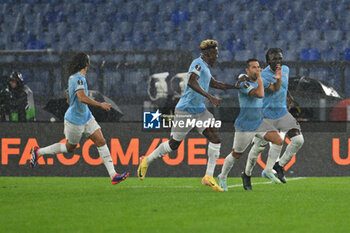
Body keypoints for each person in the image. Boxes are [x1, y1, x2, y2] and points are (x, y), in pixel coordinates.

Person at [137, 39, 242, 192]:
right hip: (185, 110)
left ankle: (208, 176)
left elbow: (215, 84)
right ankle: (146, 160)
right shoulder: (197, 64)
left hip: (199, 110)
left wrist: (236, 87)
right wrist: (209, 97)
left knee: (215, 138)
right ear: (207, 54)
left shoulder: (205, 67)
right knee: (173, 144)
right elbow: (191, 82)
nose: (217, 57)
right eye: (215, 54)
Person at [30, 52, 129, 185]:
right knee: (70, 148)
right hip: (75, 120)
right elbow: (81, 98)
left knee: (101, 141)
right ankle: (39, 152)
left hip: (86, 116)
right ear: (86, 64)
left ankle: (113, 175)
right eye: (89, 60)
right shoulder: (78, 79)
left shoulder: (75, 78)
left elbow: (69, 99)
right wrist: (100, 104)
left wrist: (75, 103)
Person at [217, 58, 283, 191]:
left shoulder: (259, 81)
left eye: (258, 67)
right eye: (254, 67)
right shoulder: (244, 84)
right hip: (245, 126)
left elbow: (275, 88)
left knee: (278, 140)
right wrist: (260, 78)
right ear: (247, 70)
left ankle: (268, 170)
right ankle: (222, 176)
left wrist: (278, 78)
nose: (257, 69)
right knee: (236, 155)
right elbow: (259, 94)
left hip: (259, 122)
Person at [242, 48, 304, 188]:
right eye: (274, 59)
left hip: (282, 113)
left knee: (298, 140)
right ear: (268, 61)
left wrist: (289, 98)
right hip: (266, 116)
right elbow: (275, 88)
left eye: (280, 58)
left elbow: (284, 87)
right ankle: (246, 174)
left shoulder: (285, 69)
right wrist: (278, 77)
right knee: (258, 148)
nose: (278, 61)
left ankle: (279, 165)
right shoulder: (263, 77)